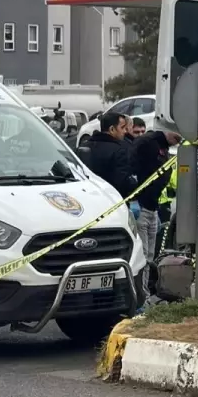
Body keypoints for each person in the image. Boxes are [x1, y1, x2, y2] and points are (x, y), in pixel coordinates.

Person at [129, 127, 183, 288]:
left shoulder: (158, 146)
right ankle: (140, 293)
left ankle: (144, 291)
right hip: (142, 207)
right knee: (143, 255)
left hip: (152, 208)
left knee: (149, 256)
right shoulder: (148, 144)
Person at [79, 112, 137, 201]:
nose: (125, 131)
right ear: (112, 129)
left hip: (88, 197)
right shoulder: (119, 151)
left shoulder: (84, 146)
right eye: (122, 128)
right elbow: (122, 182)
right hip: (113, 200)